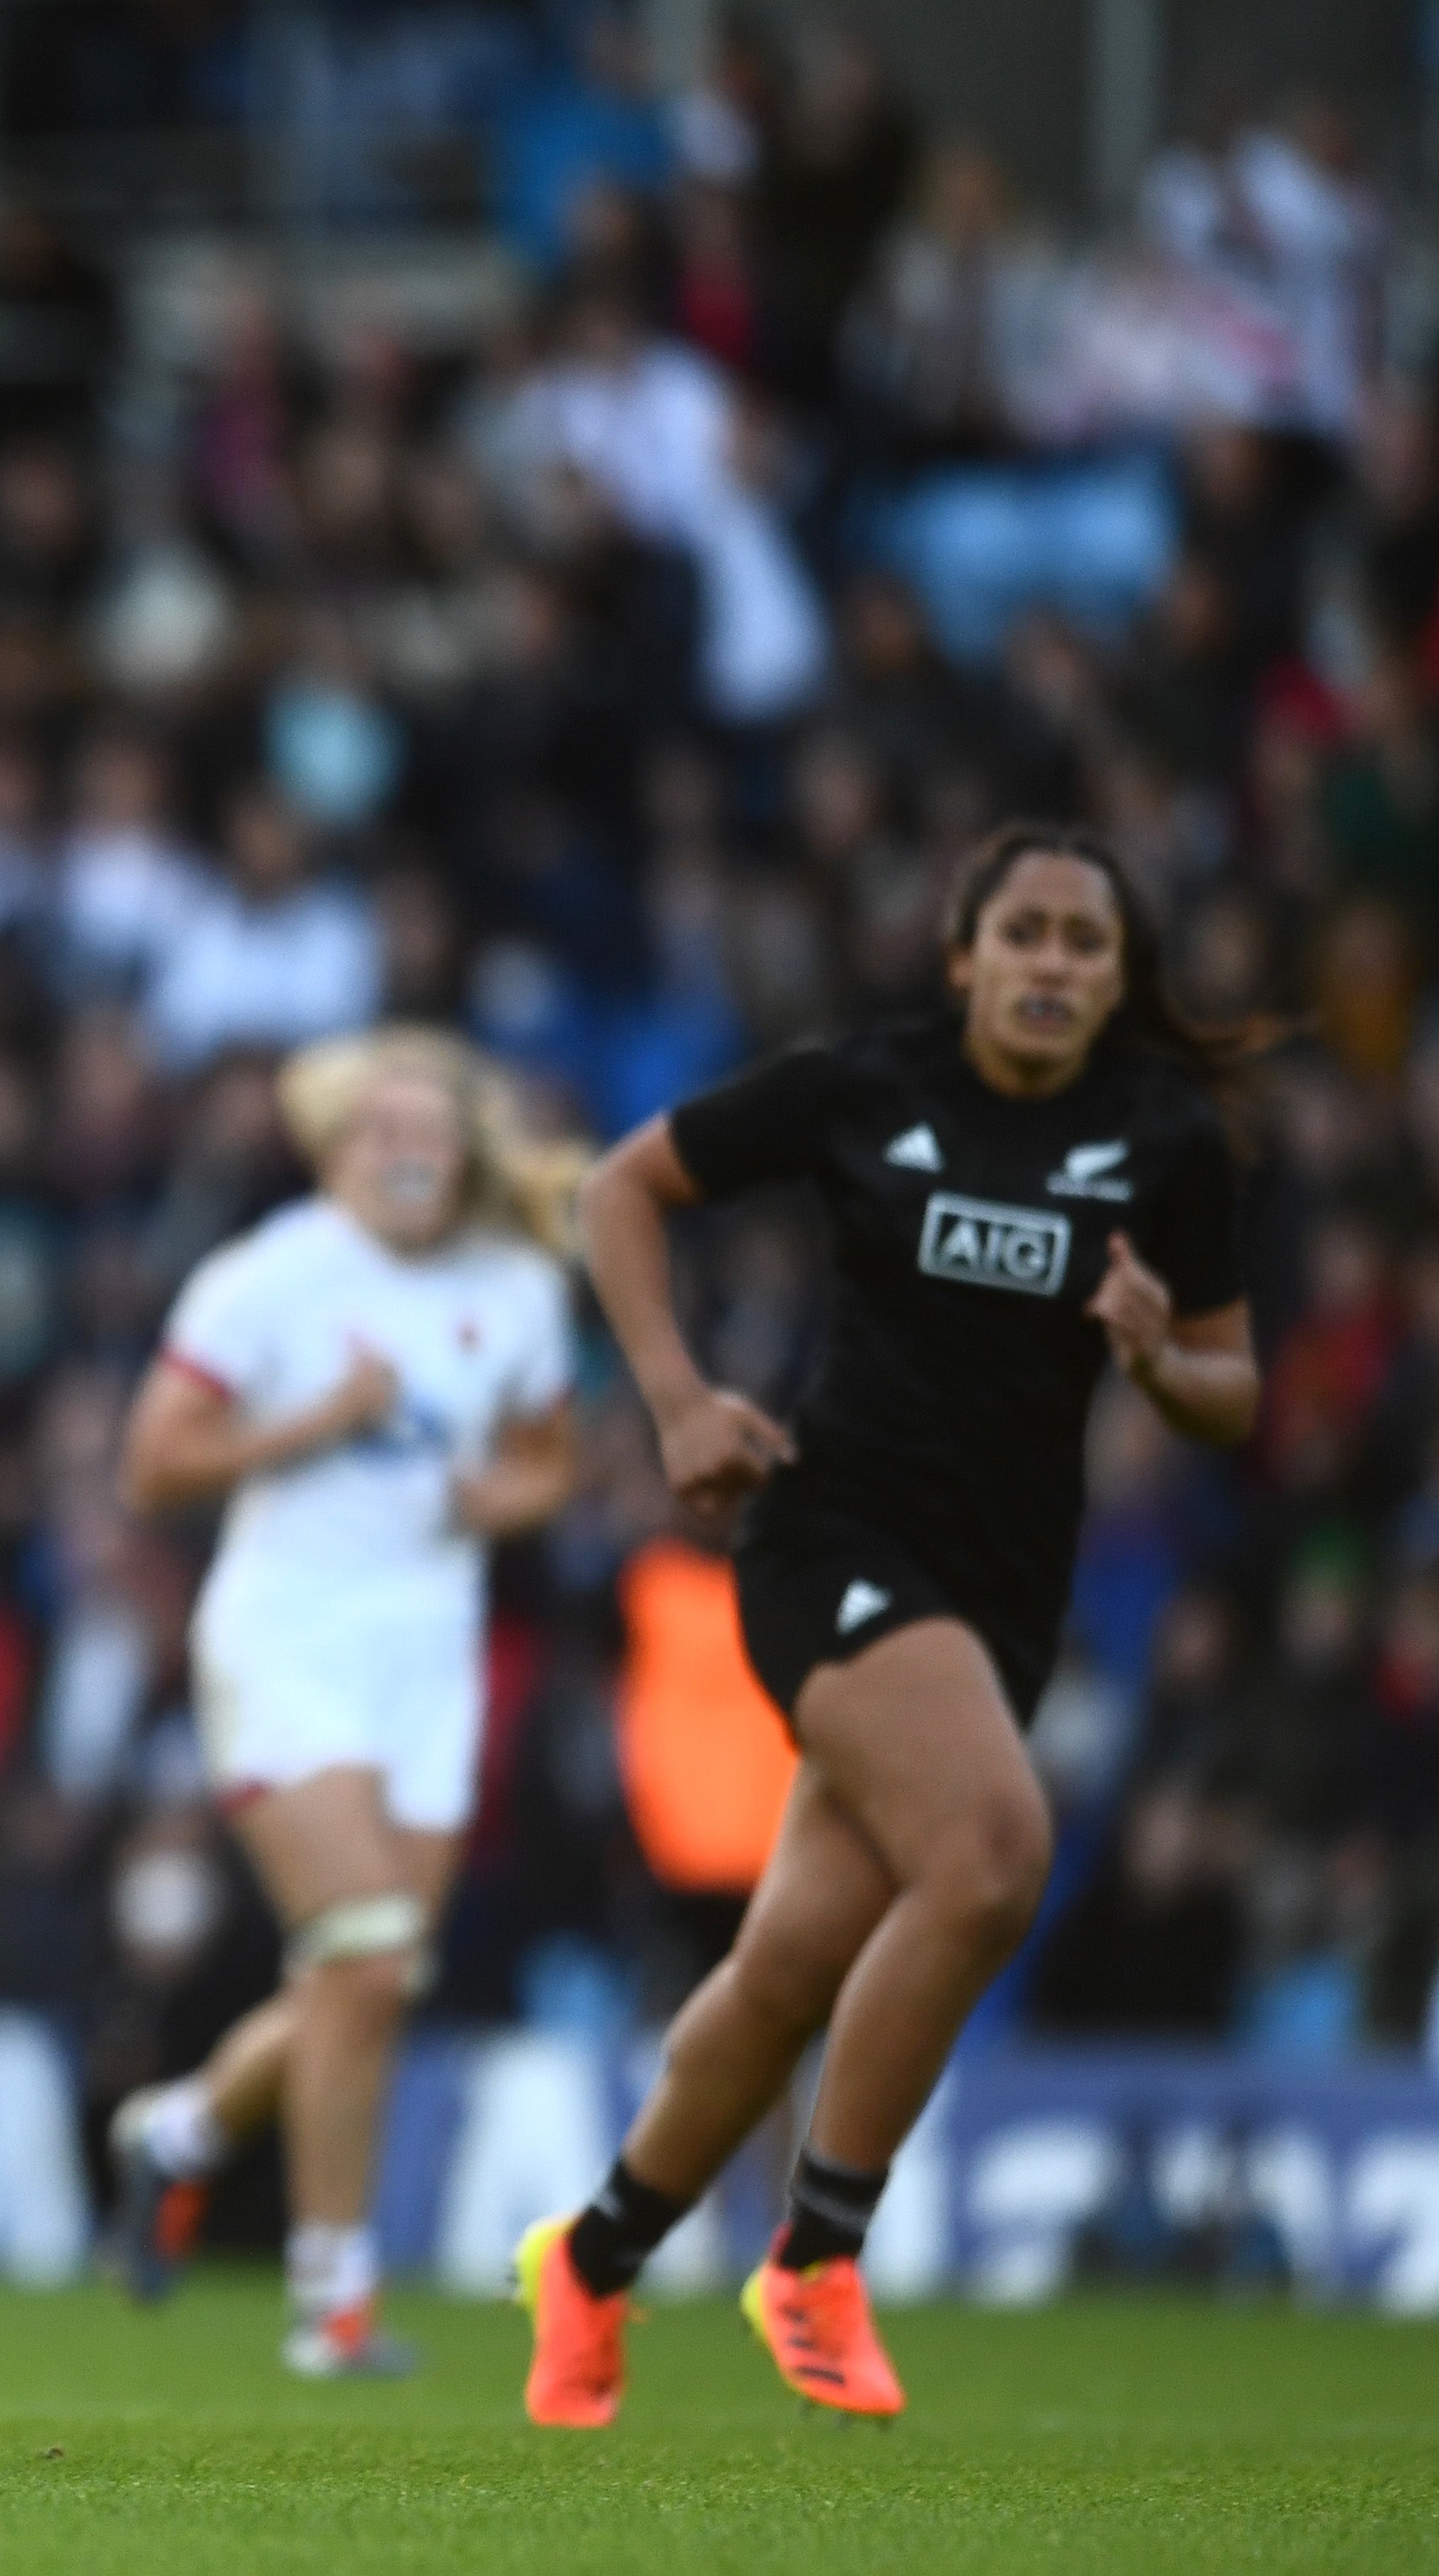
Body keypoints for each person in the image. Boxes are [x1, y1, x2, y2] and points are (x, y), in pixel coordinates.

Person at [518, 823, 1256, 2426]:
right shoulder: (866, 1087)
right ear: (961, 958)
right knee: (989, 1853)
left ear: (1117, 981)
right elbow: (617, 1189)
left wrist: (1154, 1357)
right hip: (826, 1541)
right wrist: (673, 1400)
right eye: (1025, 934)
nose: (1052, 964)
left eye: (1085, 943)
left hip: (1001, 1591)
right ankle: (815, 2252)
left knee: (785, 1968)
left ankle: (588, 2259)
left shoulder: (1161, 1142)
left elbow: (1229, 1387)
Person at [109, 1028, 583, 2377]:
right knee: (367, 1952)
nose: (408, 1149)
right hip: (288, 1639)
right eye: (381, 1127)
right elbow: (153, 1465)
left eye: (432, 1128)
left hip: (428, 1659)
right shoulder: (268, 1280)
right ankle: (335, 2305)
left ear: (469, 1150)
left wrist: (506, 1497)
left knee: (367, 1978)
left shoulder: (517, 1287)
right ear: (334, 1145)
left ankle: (184, 2130)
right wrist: (312, 1420)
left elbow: (550, 1457)